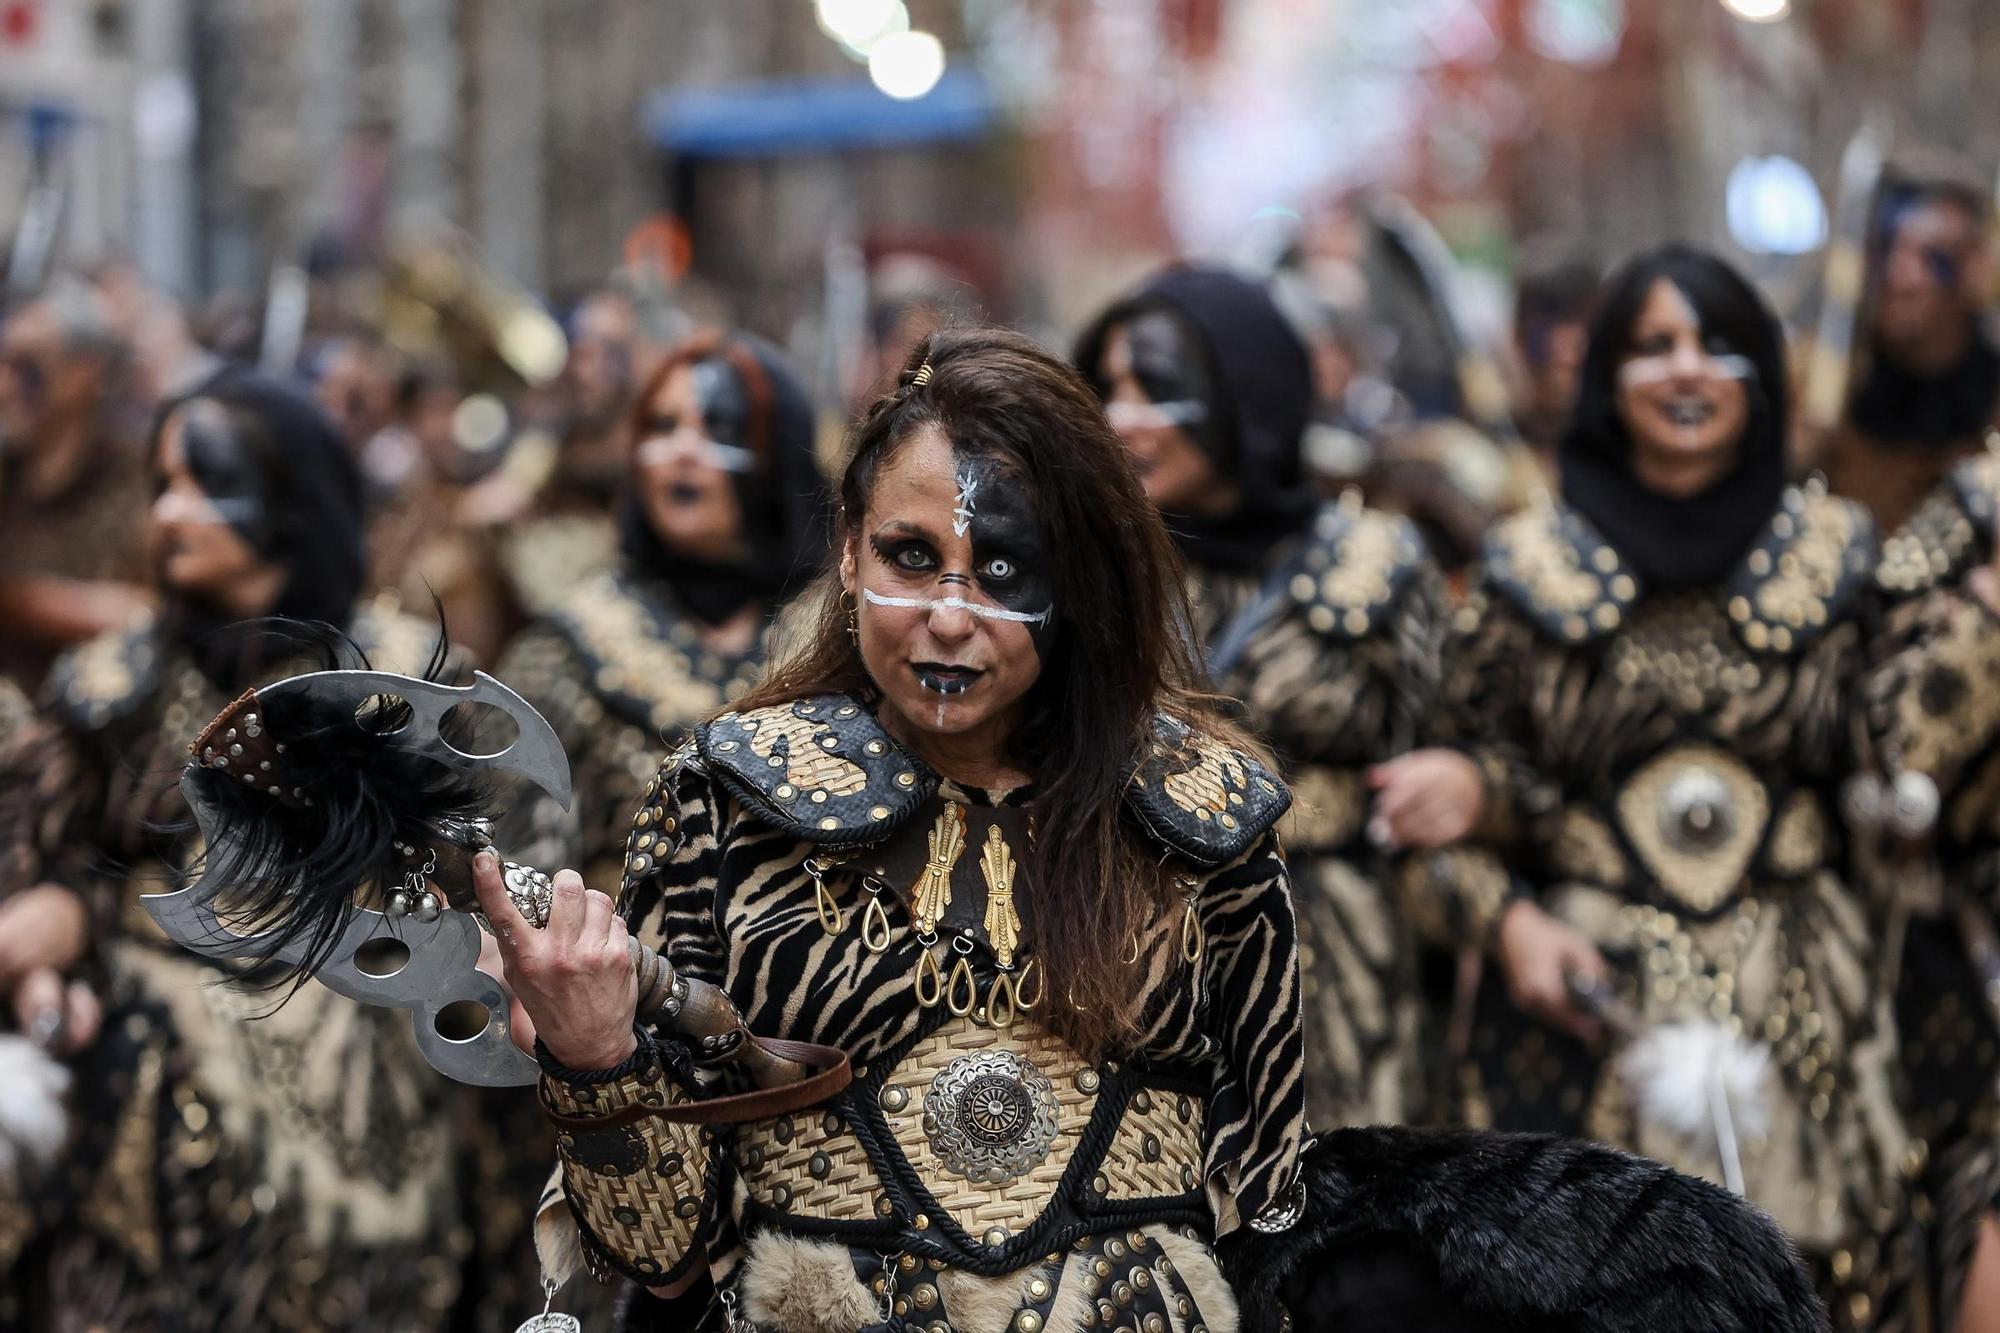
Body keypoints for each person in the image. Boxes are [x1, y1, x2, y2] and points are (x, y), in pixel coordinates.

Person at [472, 327, 1821, 1333]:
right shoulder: (726, 799)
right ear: (845, 556)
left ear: (1084, 586)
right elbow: (661, 1248)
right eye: (908, 558)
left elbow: (1268, 1209)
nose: (950, 613)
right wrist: (593, 1060)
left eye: (1005, 573)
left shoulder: (1206, 819)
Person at [1416, 244, 1964, 1329]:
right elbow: (1436, 822)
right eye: (1651, 346)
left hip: (1814, 998)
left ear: (1758, 373)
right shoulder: (1525, 573)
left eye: (1715, 345)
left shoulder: (1840, 556)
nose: (1685, 371)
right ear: (1603, 378)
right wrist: (1511, 922)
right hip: (1589, 1014)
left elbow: (1910, 766)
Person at [0, 370, 466, 1331]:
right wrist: (60, 936)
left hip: (369, 1023)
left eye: (204, 484)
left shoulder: (401, 680)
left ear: (291, 500)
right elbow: (44, 857)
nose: (169, 512)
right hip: (157, 1040)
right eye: (159, 482)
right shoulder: (109, 685)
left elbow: (474, 867)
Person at [1074, 265, 1450, 1130]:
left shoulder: (1379, 562)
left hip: (1346, 981)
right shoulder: (1085, 569)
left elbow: (1465, 746)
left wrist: (1471, 790)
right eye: (1109, 389)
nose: (1123, 417)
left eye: (1158, 390)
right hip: (1135, 966)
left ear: (1243, 394)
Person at [1819, 181, 2000, 535]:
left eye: (1933, 258)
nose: (1900, 277)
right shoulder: (1828, 383)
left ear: (1976, 270)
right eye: (1888, 250)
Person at [0, 279, 155, 690]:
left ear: (84, 372)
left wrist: (19, 600)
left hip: (101, 720)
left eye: (26, 365)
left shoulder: (139, 473)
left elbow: (150, 612)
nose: (4, 385)